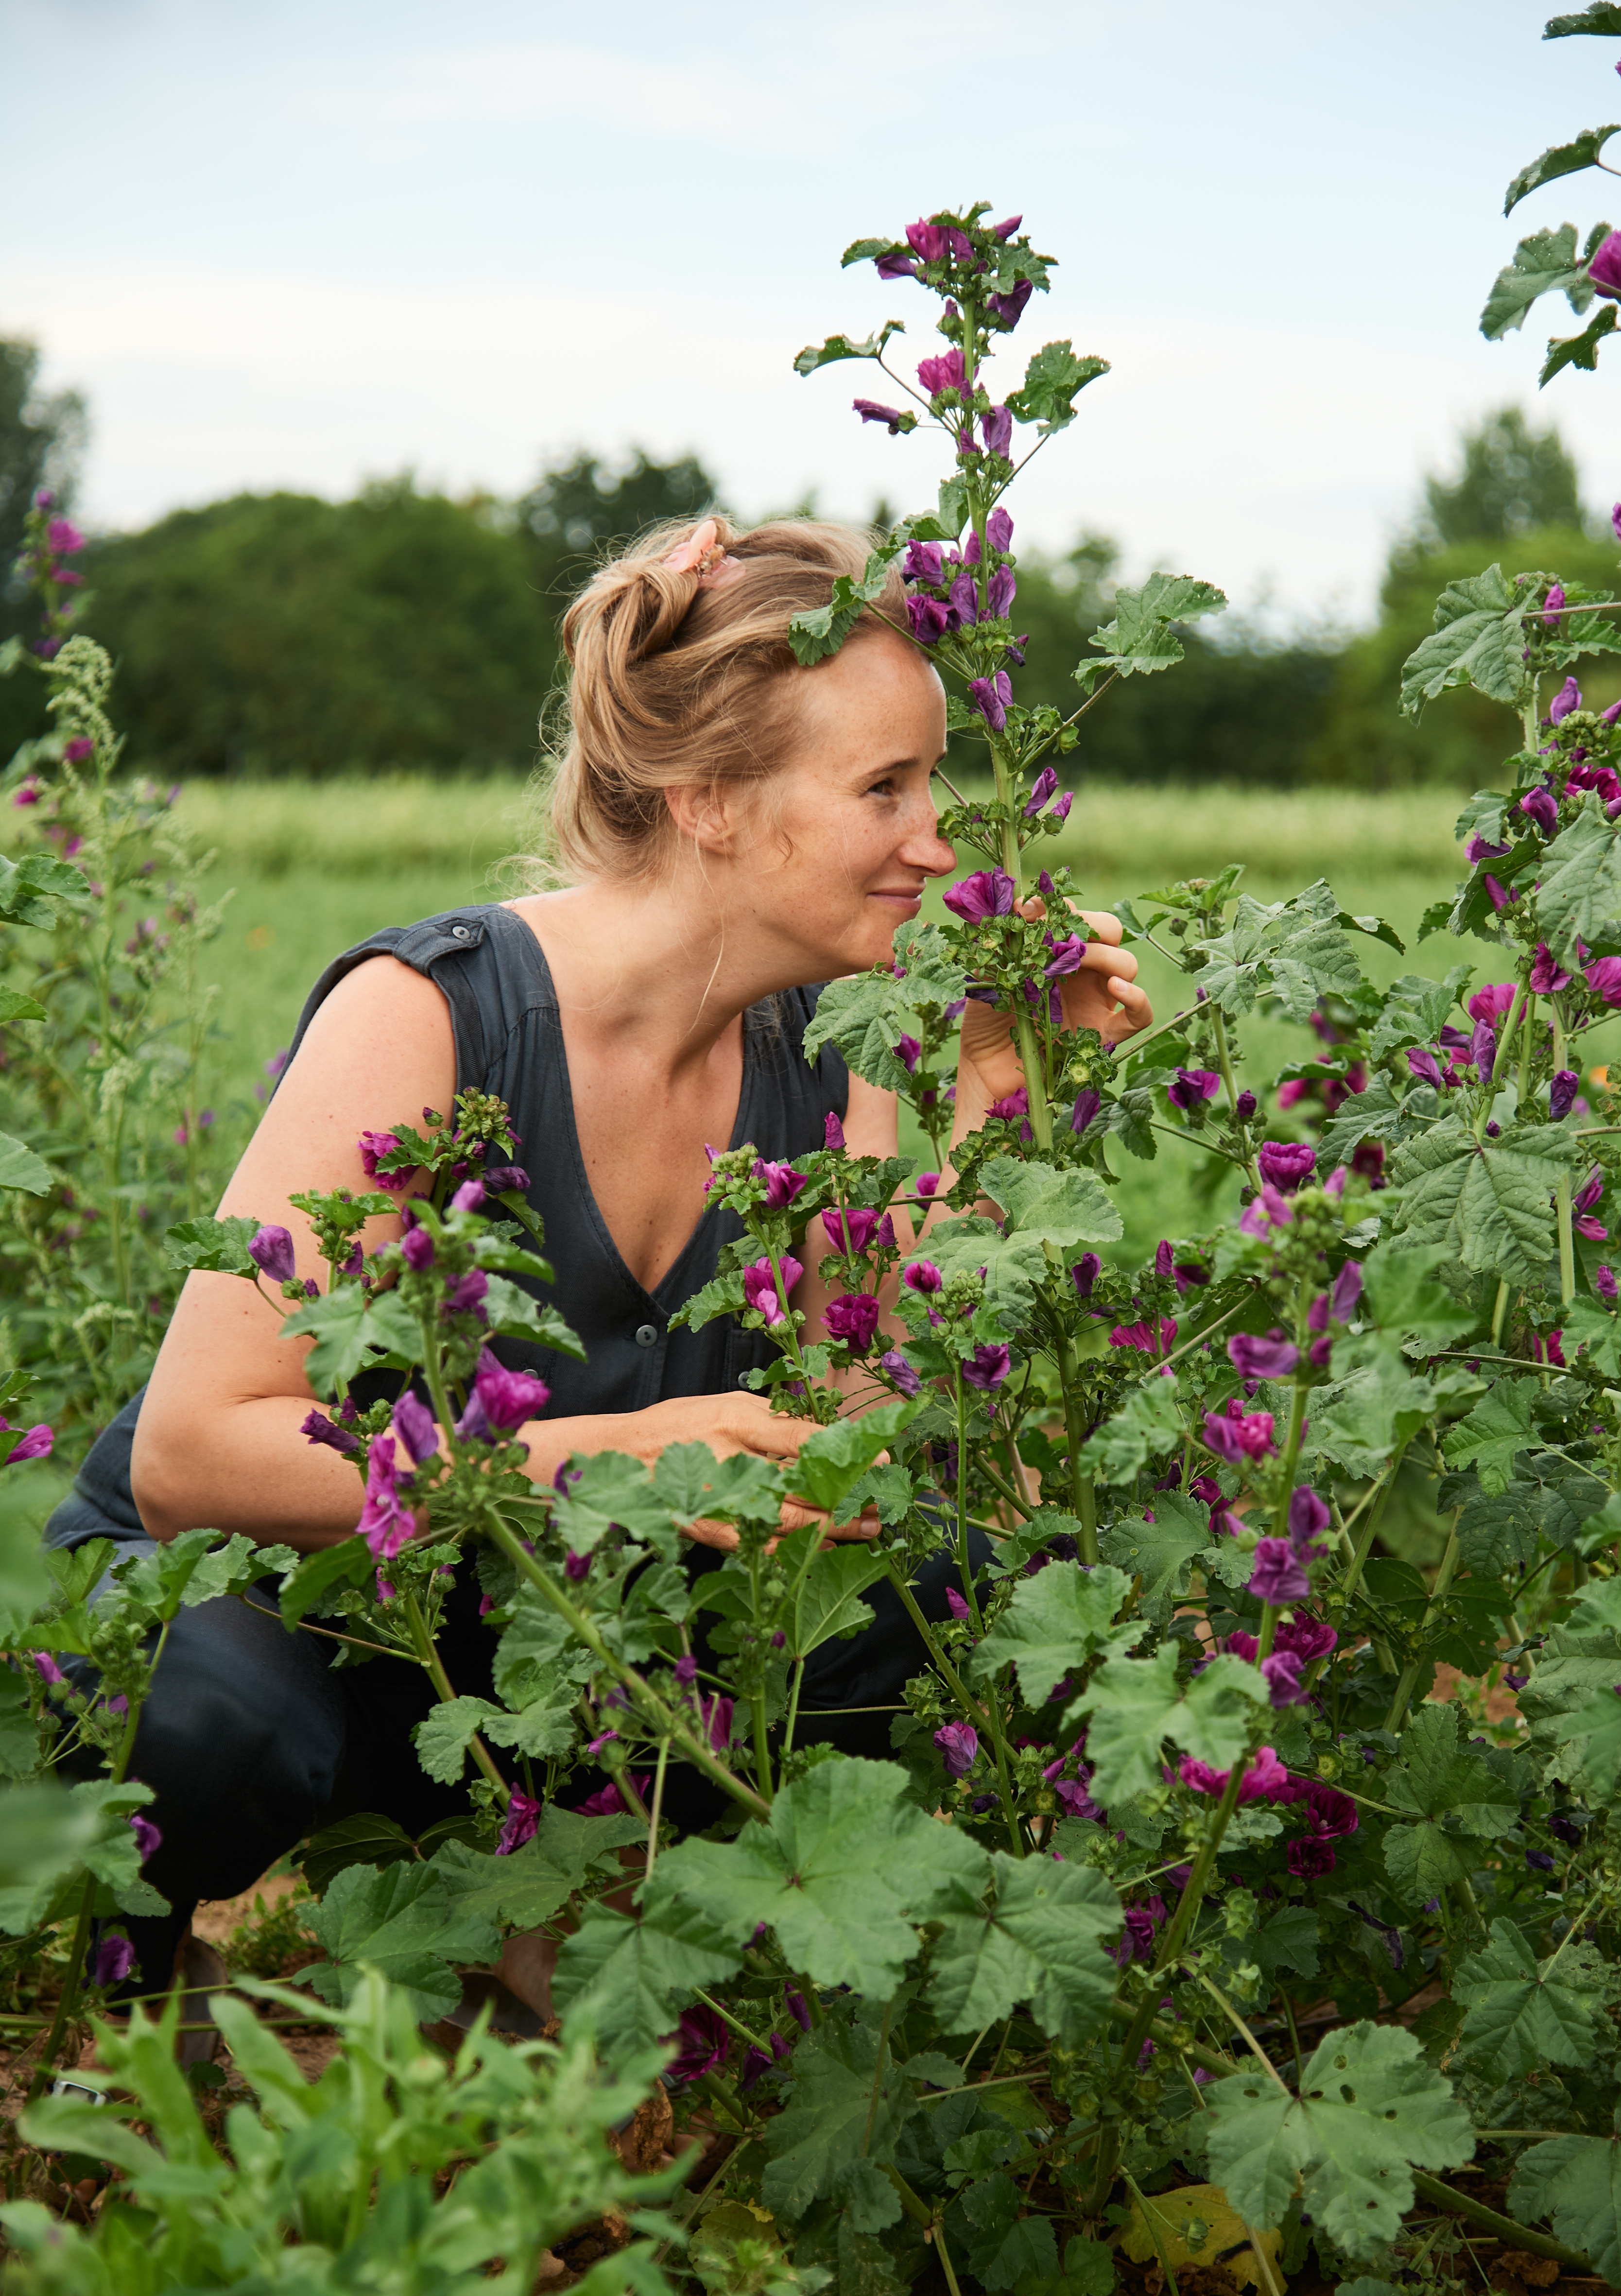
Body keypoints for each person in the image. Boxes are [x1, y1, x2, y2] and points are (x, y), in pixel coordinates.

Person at [46, 514, 1151, 1999]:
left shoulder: (838, 1049)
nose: (937, 840)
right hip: (282, 1601)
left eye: (932, 781)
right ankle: (126, 1998)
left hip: (542, 1643)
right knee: (209, 1722)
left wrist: (990, 1100)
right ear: (707, 801)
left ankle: (556, 1976)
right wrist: (621, 1454)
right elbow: (195, 1455)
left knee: (933, 1585)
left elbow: (877, 1426)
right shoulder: (432, 1009)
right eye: (884, 786)